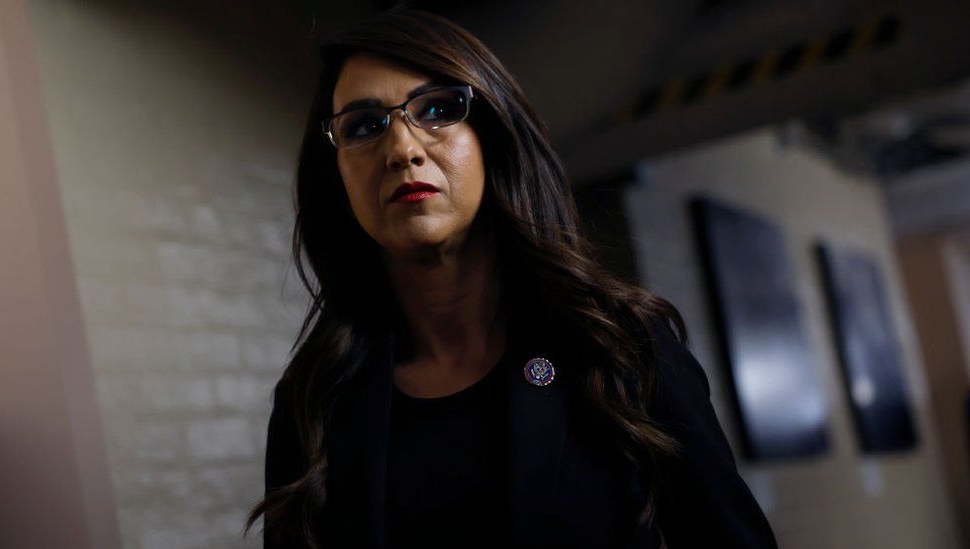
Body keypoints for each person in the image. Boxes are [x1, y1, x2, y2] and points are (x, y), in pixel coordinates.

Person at [244, 6, 778, 549]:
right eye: (363, 126)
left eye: (437, 109)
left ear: (491, 137)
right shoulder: (313, 401)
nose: (403, 150)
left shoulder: (620, 349)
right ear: (335, 178)